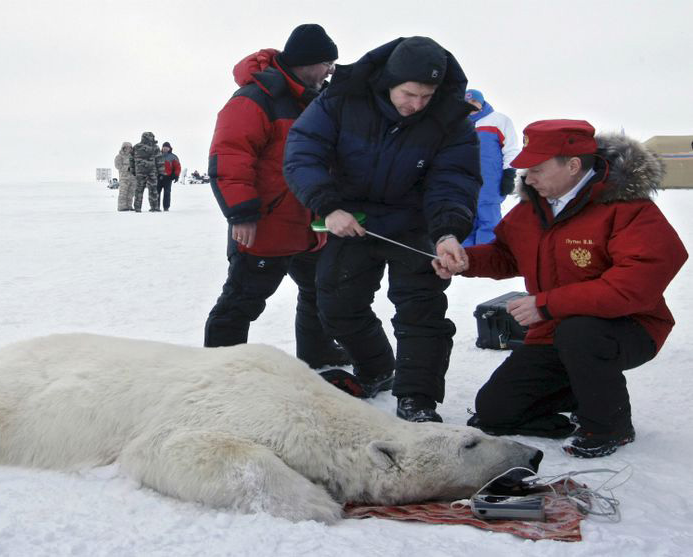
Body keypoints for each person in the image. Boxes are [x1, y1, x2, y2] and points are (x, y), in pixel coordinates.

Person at [432, 119, 687, 457]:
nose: (528, 177)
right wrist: (467, 261)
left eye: (536, 168)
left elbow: (634, 284)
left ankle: (609, 426)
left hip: (629, 328)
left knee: (580, 333)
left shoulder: (628, 208)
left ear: (573, 165)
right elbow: (506, 254)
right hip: (555, 329)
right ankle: (582, 393)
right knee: (495, 410)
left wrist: (547, 304)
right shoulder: (532, 209)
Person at [283, 36, 482, 422]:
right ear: (389, 81)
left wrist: (447, 232)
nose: (417, 105)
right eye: (410, 93)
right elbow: (303, 150)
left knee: (421, 312)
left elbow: (454, 180)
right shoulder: (342, 98)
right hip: (353, 218)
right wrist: (329, 205)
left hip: (416, 221)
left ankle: (418, 399)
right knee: (336, 302)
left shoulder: (449, 118)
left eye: (427, 95)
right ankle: (376, 368)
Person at [204, 23, 350, 370]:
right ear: (308, 61)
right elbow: (229, 158)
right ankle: (218, 369)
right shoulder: (254, 99)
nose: (332, 69)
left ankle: (317, 352)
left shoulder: (318, 101)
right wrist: (241, 214)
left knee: (319, 294)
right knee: (241, 302)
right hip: (265, 226)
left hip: (311, 226)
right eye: (328, 62)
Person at [462, 88, 520, 246]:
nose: (471, 106)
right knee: (464, 219)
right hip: (463, 182)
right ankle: (464, 262)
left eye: (474, 101)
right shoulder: (456, 124)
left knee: (489, 220)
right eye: (466, 103)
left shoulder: (498, 120)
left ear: (481, 102)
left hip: (490, 182)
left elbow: (511, 149)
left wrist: (509, 174)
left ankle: (488, 259)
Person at [132, 131, 160, 212]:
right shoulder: (155, 147)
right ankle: (154, 207)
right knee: (153, 190)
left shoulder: (136, 147)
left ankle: (137, 208)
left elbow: (131, 160)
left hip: (140, 172)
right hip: (152, 172)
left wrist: (133, 170)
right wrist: (161, 172)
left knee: (139, 190)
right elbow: (159, 160)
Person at [158, 142, 182, 211]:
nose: (165, 148)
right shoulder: (157, 156)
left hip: (168, 178)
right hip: (158, 177)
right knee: (156, 193)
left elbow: (178, 167)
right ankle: (156, 207)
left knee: (167, 193)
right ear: (162, 148)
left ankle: (166, 207)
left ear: (169, 148)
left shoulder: (173, 157)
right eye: (164, 147)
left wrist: (176, 175)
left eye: (167, 147)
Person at [114, 142, 136, 210]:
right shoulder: (119, 156)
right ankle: (122, 207)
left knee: (131, 193)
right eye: (126, 147)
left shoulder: (133, 156)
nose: (128, 149)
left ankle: (129, 206)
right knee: (123, 193)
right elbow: (118, 166)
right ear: (123, 148)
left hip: (133, 178)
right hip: (124, 178)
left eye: (130, 147)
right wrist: (127, 168)